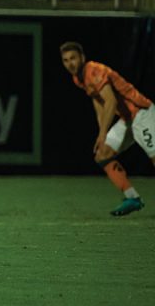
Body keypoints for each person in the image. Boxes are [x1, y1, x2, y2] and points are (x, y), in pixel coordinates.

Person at [59, 42, 154, 216]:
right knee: (102, 154)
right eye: (65, 60)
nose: (70, 63)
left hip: (142, 113)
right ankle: (132, 197)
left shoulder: (94, 70)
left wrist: (103, 134)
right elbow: (98, 101)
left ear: (82, 57)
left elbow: (111, 101)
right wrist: (100, 132)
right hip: (127, 120)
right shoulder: (78, 78)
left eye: (73, 58)